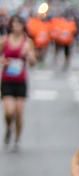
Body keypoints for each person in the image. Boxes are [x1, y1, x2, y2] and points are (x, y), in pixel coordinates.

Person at [1, 15, 36, 152]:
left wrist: (29, 56)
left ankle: (17, 138)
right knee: (9, 112)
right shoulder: (4, 40)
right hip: (6, 80)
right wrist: (3, 61)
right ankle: (9, 128)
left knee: (19, 112)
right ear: (11, 25)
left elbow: (33, 63)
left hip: (21, 81)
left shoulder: (28, 42)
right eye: (14, 24)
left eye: (19, 24)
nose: (16, 26)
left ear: (23, 26)